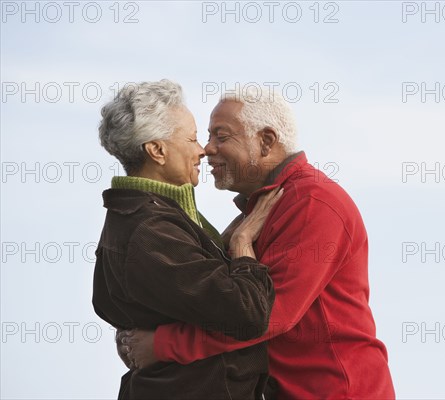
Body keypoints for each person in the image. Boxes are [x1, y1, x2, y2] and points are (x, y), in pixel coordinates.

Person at [120, 87, 396, 399]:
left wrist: (161, 345)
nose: (207, 149)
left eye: (220, 136)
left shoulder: (313, 203)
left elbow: (264, 316)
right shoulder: (266, 207)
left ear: (265, 141)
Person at [92, 79, 282, 399]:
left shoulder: (157, 217)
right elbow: (247, 313)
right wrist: (243, 243)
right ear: (157, 150)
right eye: (193, 138)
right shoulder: (147, 231)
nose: (202, 150)